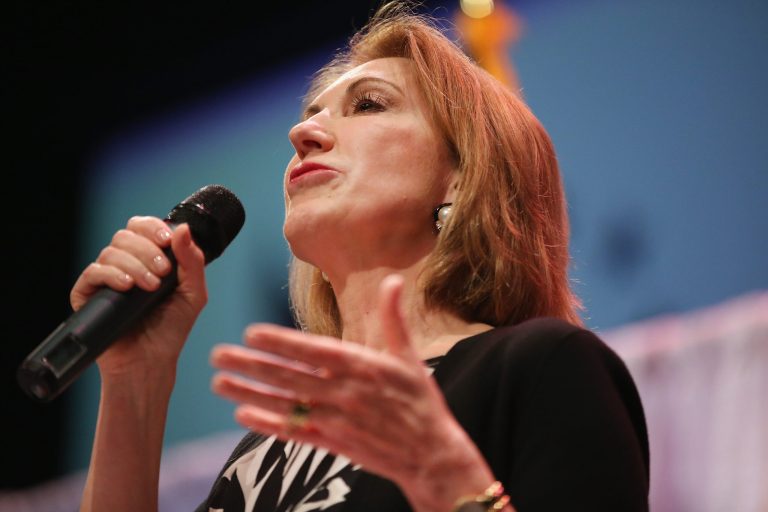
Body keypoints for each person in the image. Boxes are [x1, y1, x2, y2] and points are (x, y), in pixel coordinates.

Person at [75, 4, 649, 512]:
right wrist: (134, 382)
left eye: (369, 105)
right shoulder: (261, 456)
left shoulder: (541, 367)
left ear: (462, 178)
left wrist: (453, 487)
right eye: (310, 115)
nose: (305, 132)